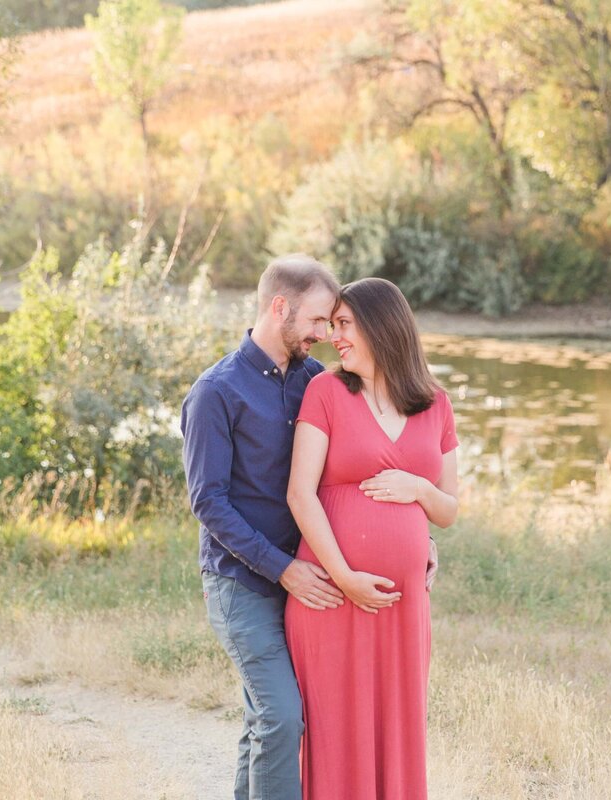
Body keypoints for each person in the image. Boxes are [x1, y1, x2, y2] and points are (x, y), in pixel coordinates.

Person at [180, 254, 348, 800]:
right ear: (281, 308)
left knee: (264, 723)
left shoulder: (316, 382)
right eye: (318, 321)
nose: (324, 334)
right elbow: (209, 503)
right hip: (241, 585)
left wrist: (422, 538)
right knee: (280, 719)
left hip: (304, 582)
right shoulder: (215, 392)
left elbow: (349, 471)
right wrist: (284, 570)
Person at [285, 277, 459, 800]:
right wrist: (346, 577)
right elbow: (300, 494)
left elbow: (448, 511)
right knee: (334, 732)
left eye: (344, 325)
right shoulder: (327, 392)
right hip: (332, 595)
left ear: (382, 329)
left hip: (402, 610)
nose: (333, 337)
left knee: (397, 728)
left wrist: (419, 488)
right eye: (331, 325)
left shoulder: (436, 403)